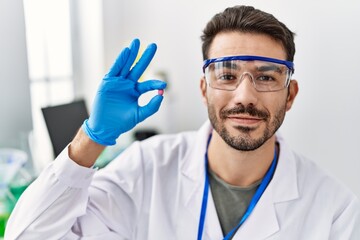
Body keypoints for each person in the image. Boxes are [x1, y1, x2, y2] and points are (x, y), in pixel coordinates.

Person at [5, 5, 360, 240]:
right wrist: (90, 140)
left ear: (291, 94)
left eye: (267, 77)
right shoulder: (147, 168)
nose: (245, 96)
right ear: (204, 89)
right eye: (226, 74)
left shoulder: (334, 210)